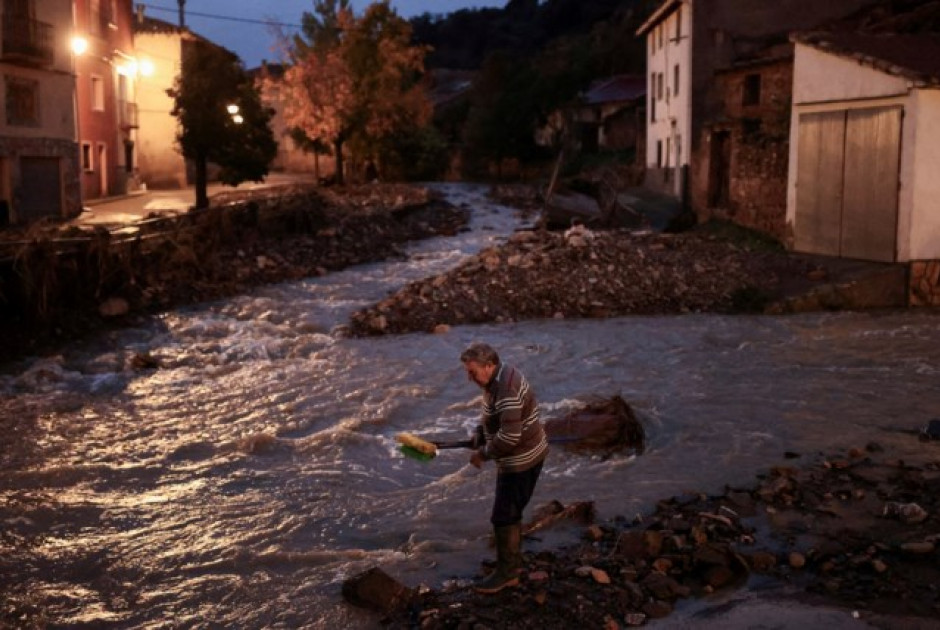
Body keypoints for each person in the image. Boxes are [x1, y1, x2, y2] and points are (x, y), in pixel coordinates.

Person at [460, 342, 548, 594]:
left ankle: (508, 574)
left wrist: (483, 454)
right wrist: (481, 433)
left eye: (473, 372)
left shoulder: (506, 389)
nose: (469, 378)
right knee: (510, 511)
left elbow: (509, 437)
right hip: (524, 453)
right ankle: (510, 563)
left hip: (521, 460)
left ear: (489, 366)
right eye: (467, 372)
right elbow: (496, 417)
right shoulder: (498, 377)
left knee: (504, 516)